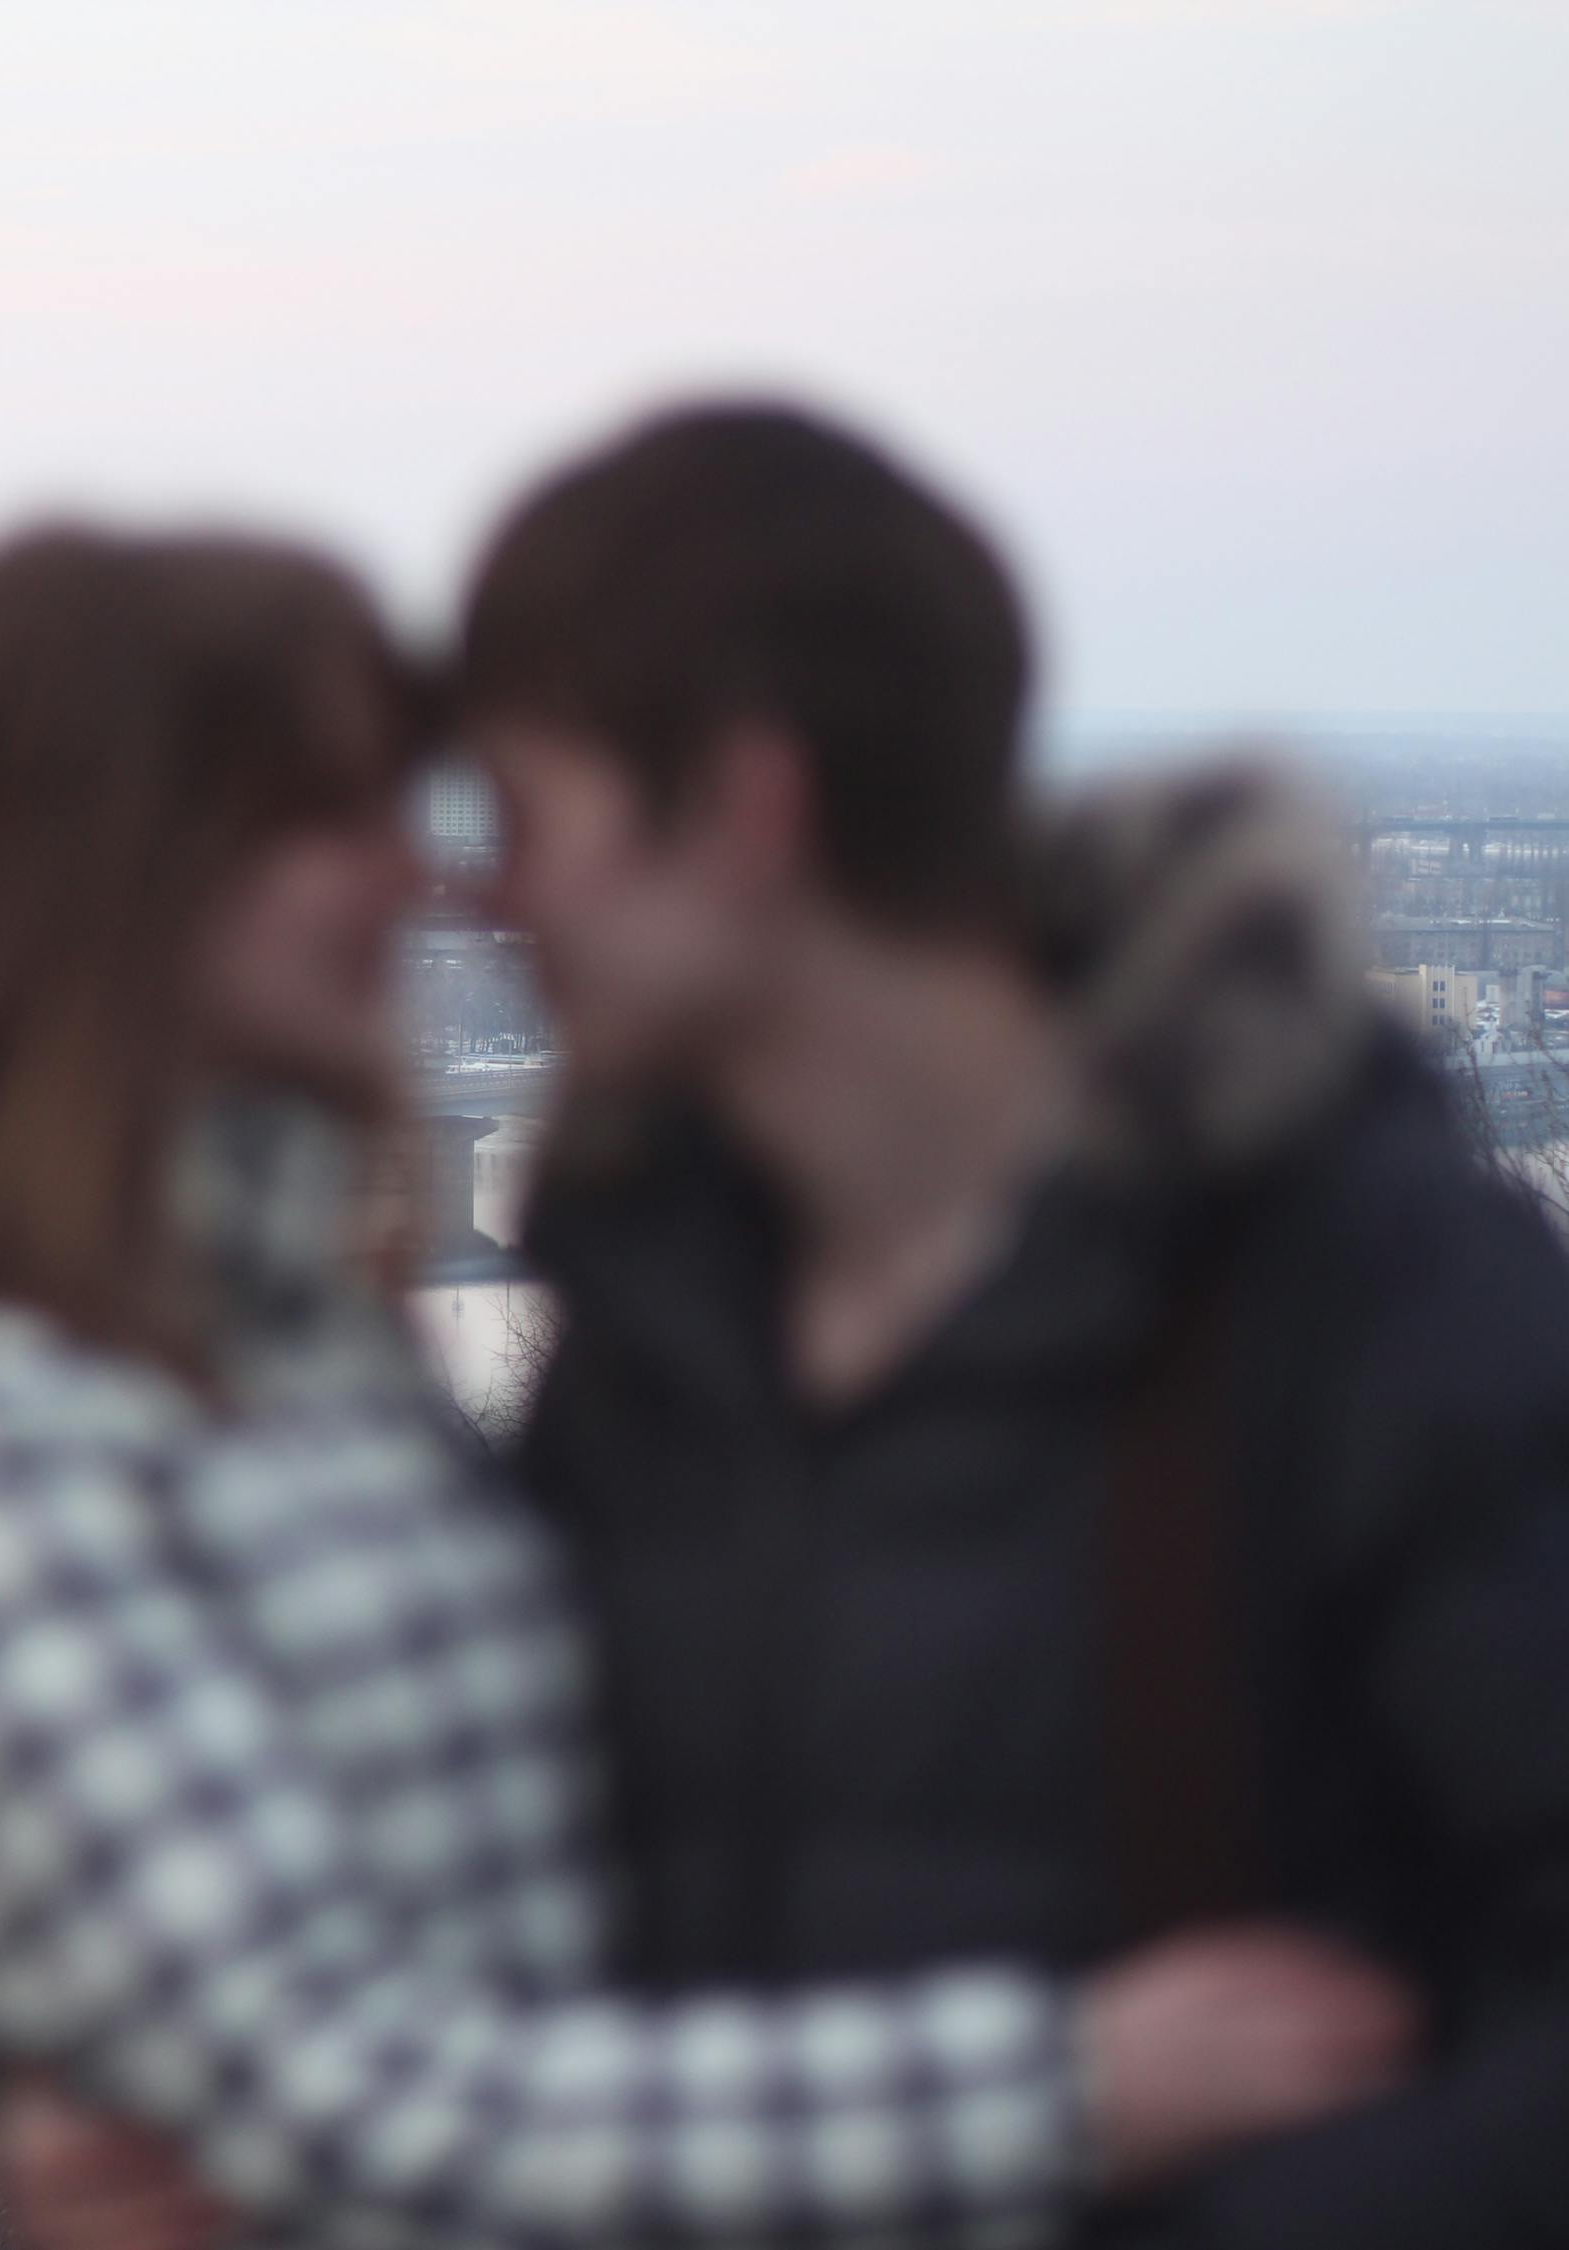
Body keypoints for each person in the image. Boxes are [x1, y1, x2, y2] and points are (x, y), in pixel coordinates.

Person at [0, 525, 1410, 2250]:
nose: (423, 878)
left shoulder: (312, 1343)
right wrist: (1075, 2084)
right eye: (329, 816)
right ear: (107, 866)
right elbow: (352, 2094)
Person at [456, 403, 1569, 2245]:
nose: (483, 897)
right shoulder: (647, 1334)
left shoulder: (1355, 1290)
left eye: (521, 817)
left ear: (745, 807)